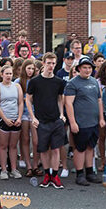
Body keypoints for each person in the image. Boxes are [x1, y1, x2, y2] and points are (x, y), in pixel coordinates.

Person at [26, 53, 68, 189]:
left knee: (56, 149)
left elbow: (60, 98)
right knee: (43, 149)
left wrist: (62, 114)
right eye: (48, 63)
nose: (51, 66)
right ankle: (46, 175)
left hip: (56, 119)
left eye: (53, 63)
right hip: (41, 120)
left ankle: (55, 175)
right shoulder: (34, 82)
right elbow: (28, 99)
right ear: (43, 63)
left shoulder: (59, 82)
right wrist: (33, 117)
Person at [64, 56, 104, 186]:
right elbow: (68, 104)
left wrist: (101, 118)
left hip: (93, 122)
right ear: (79, 69)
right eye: (84, 68)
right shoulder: (73, 83)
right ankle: (80, 174)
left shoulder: (93, 81)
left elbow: (99, 100)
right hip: (80, 123)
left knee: (90, 147)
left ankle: (89, 172)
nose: (87, 70)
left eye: (89, 68)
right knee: (80, 148)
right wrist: (73, 122)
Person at [0, 65, 24, 180]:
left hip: (16, 118)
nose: (8, 76)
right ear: (2, 74)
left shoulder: (17, 86)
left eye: (10, 74)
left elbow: (20, 103)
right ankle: (4, 169)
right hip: (2, 120)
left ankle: (14, 169)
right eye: (6, 73)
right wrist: (5, 119)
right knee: (3, 146)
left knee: (13, 146)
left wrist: (19, 118)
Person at [18, 60, 40, 177]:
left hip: (36, 114)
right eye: (28, 68)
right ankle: (29, 166)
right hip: (24, 114)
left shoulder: (37, 81)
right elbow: (19, 100)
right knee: (25, 140)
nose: (30, 71)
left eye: (32, 69)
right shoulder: (19, 82)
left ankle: (36, 165)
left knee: (36, 141)